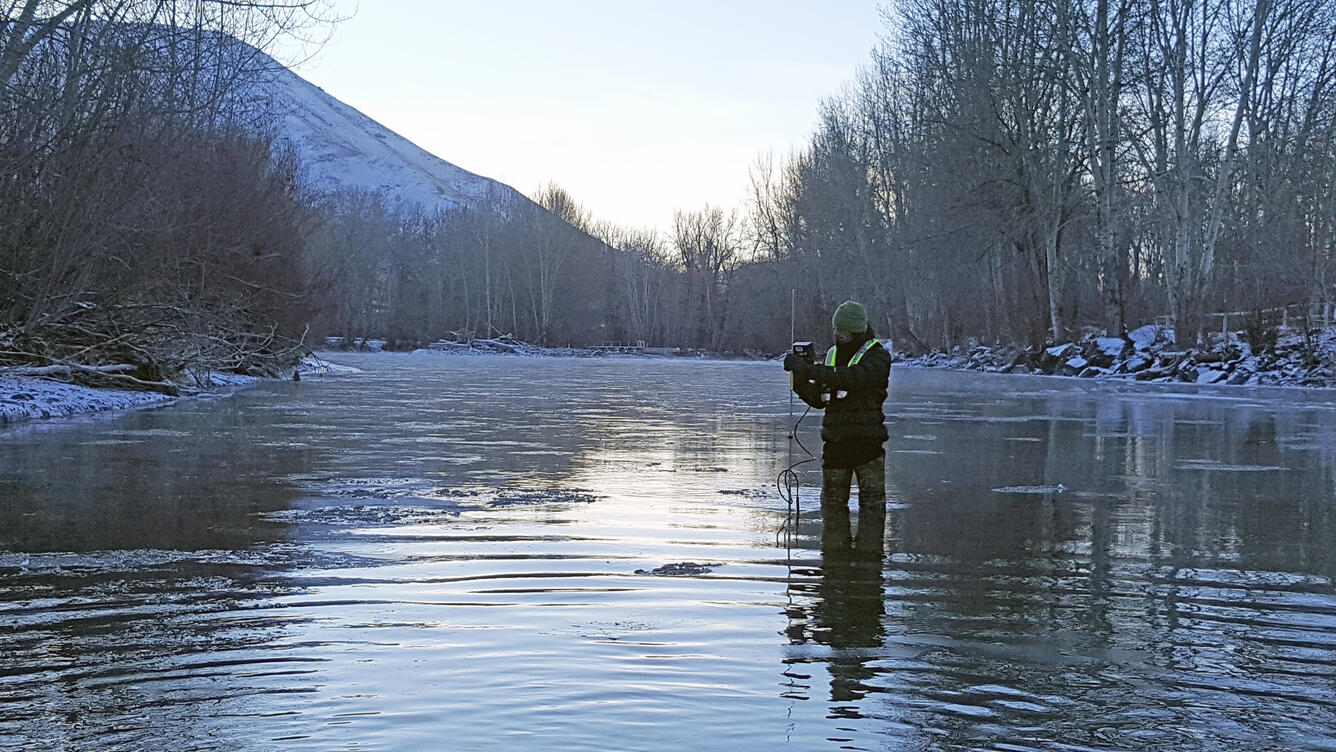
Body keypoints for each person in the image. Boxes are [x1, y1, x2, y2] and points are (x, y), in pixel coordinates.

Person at [783, 300, 891, 556]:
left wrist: (812, 370)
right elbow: (820, 399)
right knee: (832, 506)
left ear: (857, 330)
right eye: (835, 329)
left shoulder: (878, 356)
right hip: (836, 444)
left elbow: (853, 378)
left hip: (867, 445)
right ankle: (834, 565)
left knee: (873, 506)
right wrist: (800, 379)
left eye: (842, 330)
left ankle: (869, 565)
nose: (837, 334)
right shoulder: (832, 354)